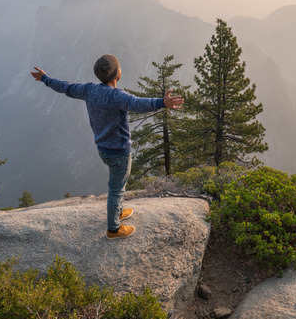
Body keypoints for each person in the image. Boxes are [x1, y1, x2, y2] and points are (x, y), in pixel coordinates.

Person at [30, 54, 184, 239]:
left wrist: (45, 78)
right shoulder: (116, 96)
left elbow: (66, 87)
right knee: (116, 188)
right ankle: (113, 229)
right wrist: (162, 103)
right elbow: (138, 104)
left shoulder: (89, 90)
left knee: (118, 185)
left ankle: (117, 212)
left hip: (103, 149)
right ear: (117, 74)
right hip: (119, 152)